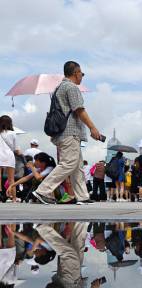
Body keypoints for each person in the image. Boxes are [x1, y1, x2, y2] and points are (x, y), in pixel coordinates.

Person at [33, 61, 102, 205]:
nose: (82, 76)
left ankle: (82, 196)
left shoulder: (59, 88)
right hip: (69, 132)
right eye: (81, 74)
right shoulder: (71, 87)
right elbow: (79, 109)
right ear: (76, 73)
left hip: (63, 132)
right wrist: (92, 128)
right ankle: (43, 190)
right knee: (69, 163)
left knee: (77, 166)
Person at [0, 115, 21, 202]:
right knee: (11, 179)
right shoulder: (13, 133)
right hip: (9, 156)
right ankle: (14, 199)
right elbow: (16, 149)